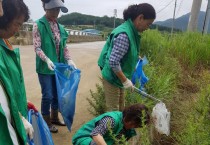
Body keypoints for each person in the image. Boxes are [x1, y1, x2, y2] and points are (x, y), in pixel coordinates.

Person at [98, 3, 156, 111]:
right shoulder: (124, 34)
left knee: (121, 109)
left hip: (118, 77)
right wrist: (125, 81)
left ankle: (120, 127)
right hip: (112, 77)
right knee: (113, 112)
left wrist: (134, 56)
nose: (148, 28)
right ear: (140, 18)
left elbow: (126, 50)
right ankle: (108, 127)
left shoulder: (131, 30)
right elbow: (114, 62)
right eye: (148, 24)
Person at [33, 0, 77, 133]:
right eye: (53, 10)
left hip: (59, 68)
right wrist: (46, 60)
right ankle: (46, 121)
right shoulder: (38, 25)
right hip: (45, 68)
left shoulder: (61, 28)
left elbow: (64, 47)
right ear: (45, 8)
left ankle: (54, 118)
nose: (55, 13)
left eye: (58, 10)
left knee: (58, 94)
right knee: (47, 95)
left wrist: (69, 60)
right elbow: (37, 47)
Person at [0, 0, 34, 144]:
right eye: (17, 24)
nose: (18, 30)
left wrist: (22, 101)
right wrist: (19, 117)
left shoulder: (5, 44)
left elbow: (8, 87)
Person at [72, 103, 150, 145]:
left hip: (105, 140)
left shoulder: (128, 129)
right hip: (85, 138)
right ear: (130, 118)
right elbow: (95, 134)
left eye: (136, 126)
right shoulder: (112, 120)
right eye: (134, 124)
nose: (133, 127)